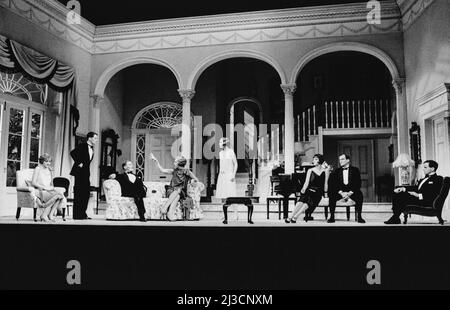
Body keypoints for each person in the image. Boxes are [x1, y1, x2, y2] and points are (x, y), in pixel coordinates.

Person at [385, 160, 443, 225]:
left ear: (432, 169)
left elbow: (433, 193)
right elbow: (416, 188)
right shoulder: (424, 179)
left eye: (425, 167)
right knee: (397, 192)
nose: (423, 169)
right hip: (418, 199)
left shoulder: (438, 179)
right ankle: (396, 217)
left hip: (425, 201)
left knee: (400, 196)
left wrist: (418, 195)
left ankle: (395, 217)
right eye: (423, 167)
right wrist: (403, 188)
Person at [151, 154, 198, 221]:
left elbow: (196, 179)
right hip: (171, 191)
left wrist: (192, 181)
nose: (173, 163)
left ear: (180, 163)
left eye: (175, 162)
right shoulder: (174, 171)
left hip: (181, 192)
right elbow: (162, 170)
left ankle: (164, 208)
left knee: (178, 190)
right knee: (177, 195)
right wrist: (156, 161)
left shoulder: (187, 171)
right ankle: (170, 214)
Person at [286, 154, 329, 223]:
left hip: (318, 191)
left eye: (315, 159)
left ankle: (296, 216)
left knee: (311, 199)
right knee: (302, 199)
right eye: (314, 159)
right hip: (310, 189)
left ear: (320, 160)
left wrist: (326, 193)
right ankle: (291, 216)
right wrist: (303, 189)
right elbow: (306, 182)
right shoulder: (310, 170)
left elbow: (325, 183)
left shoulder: (326, 171)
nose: (313, 161)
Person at [327, 154, 366, 224]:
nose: (340, 161)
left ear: (348, 160)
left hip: (351, 191)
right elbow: (334, 184)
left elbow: (358, 183)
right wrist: (341, 192)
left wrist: (350, 192)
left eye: (342, 159)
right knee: (332, 195)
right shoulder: (337, 171)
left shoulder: (355, 170)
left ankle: (359, 216)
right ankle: (332, 216)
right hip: (340, 192)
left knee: (360, 195)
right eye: (339, 159)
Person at [70, 132, 98, 220]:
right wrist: (79, 162)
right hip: (79, 172)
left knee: (85, 193)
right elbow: (72, 153)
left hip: (86, 173)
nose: (96, 140)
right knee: (79, 193)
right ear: (89, 138)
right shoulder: (82, 146)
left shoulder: (91, 149)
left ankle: (82, 213)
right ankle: (77, 215)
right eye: (95, 138)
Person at [31, 154, 66, 223]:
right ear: (42, 161)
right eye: (46, 161)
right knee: (58, 196)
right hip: (40, 191)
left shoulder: (49, 170)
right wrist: (45, 188)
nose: (48, 163)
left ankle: (50, 215)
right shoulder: (37, 169)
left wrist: (51, 188)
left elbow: (50, 184)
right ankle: (44, 215)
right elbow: (33, 183)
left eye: (49, 162)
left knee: (60, 196)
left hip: (48, 191)